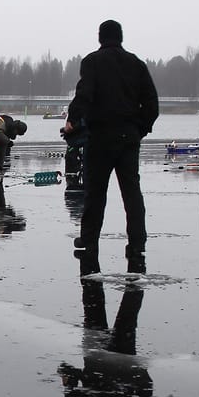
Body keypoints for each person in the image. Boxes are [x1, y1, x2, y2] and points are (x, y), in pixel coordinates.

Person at [66, 19, 159, 275]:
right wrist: (140, 130)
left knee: (95, 193)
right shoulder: (137, 64)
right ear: (121, 37)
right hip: (129, 138)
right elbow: (152, 104)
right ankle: (137, 242)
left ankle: (89, 240)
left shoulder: (92, 62)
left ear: (100, 37)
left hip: (100, 136)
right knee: (132, 192)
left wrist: (73, 120)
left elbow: (85, 94)